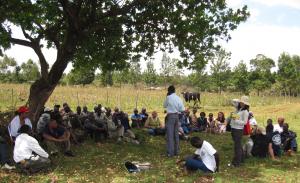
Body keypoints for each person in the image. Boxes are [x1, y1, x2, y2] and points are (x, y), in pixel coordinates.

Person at [163, 85, 185, 157]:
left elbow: (164, 105)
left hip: (170, 116)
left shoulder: (168, 97)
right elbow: (182, 109)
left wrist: (167, 97)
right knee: (176, 134)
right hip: (177, 116)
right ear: (174, 91)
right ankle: (177, 151)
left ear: (169, 91)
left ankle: (170, 152)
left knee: (170, 135)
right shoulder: (179, 98)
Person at [229, 96, 250, 167]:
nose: (241, 103)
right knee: (238, 145)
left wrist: (235, 119)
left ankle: (236, 162)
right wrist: (238, 101)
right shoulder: (239, 109)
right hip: (233, 128)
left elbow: (244, 122)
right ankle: (242, 159)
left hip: (238, 129)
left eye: (243, 102)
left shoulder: (245, 111)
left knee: (237, 146)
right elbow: (232, 101)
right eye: (241, 102)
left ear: (246, 104)